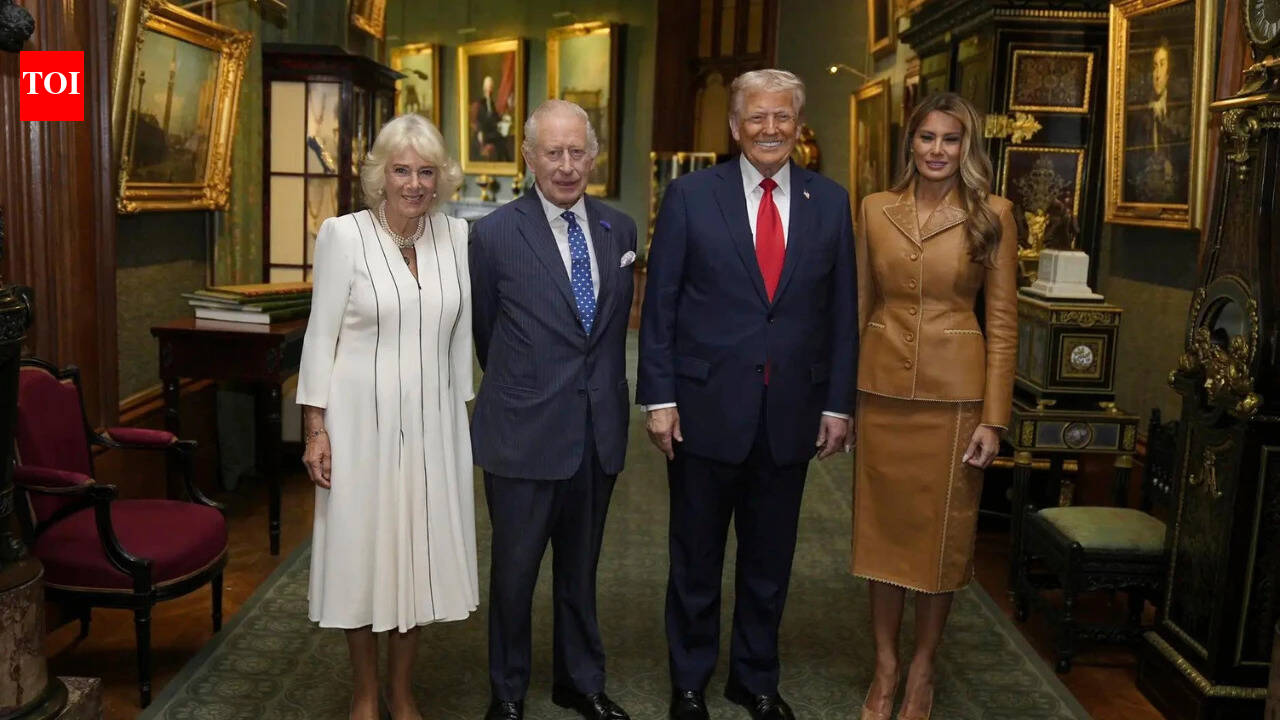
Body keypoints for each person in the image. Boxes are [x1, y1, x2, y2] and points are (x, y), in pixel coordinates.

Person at [637, 69, 857, 720]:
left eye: (782, 116)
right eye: (757, 117)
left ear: (798, 125)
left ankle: (755, 679)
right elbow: (661, 306)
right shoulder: (689, 196)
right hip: (703, 410)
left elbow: (842, 312)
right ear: (735, 127)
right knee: (696, 559)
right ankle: (689, 682)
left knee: (770, 562)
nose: (770, 128)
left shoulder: (829, 201)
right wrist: (659, 398)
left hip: (791, 413)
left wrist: (837, 404)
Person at [297, 113, 476, 720]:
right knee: (362, 555)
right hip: (359, 427)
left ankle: (402, 692)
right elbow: (320, 339)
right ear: (381, 175)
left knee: (415, 557)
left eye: (426, 171)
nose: (414, 184)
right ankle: (366, 694)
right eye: (402, 170)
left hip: (432, 427)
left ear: (441, 178)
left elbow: (459, 338)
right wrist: (316, 430)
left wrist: (460, 422)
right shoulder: (343, 236)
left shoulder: (456, 237)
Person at [469, 99, 637, 720]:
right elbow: (486, 333)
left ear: (593, 157)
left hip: (598, 431)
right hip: (523, 432)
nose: (566, 166)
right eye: (553, 153)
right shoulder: (492, 235)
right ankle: (508, 692)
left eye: (577, 152)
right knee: (514, 574)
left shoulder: (620, 230)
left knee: (581, 569)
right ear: (529, 158)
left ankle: (580, 681)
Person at [851, 91, 1017, 720]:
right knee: (882, 538)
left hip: (955, 403)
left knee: (940, 541)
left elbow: (1003, 323)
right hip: (881, 394)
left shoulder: (993, 214)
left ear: (967, 147)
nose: (938, 150)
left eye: (951, 139)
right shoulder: (874, 209)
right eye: (927, 138)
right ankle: (885, 666)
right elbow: (859, 305)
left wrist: (993, 419)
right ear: (911, 142)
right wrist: (842, 403)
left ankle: (922, 668)